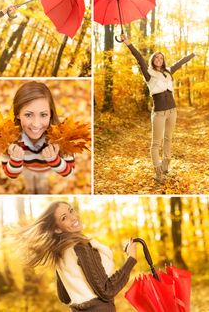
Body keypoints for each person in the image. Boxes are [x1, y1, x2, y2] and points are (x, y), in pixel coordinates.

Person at [17, 201, 137, 311]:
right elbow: (107, 290)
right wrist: (131, 259)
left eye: (71, 210)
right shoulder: (81, 246)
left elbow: (64, 297)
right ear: (57, 229)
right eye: (64, 218)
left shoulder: (60, 252)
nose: (73, 217)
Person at [120, 34, 195, 183]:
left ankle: (166, 166)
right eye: (156, 58)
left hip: (172, 111)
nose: (159, 60)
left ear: (163, 60)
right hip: (159, 113)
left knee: (169, 139)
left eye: (161, 58)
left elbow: (180, 63)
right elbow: (139, 57)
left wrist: (193, 54)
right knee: (156, 143)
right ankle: (158, 172)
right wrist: (128, 43)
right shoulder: (148, 73)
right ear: (153, 60)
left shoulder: (168, 71)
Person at [2, 81, 75, 194]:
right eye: (28, 115)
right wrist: (16, 160)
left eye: (43, 115)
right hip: (25, 168)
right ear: (17, 114)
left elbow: (69, 171)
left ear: (50, 114)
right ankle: (30, 186)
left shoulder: (61, 137)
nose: (36, 124)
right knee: (29, 180)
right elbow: (10, 173)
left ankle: (41, 186)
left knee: (41, 181)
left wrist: (54, 160)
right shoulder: (9, 137)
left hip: (46, 170)